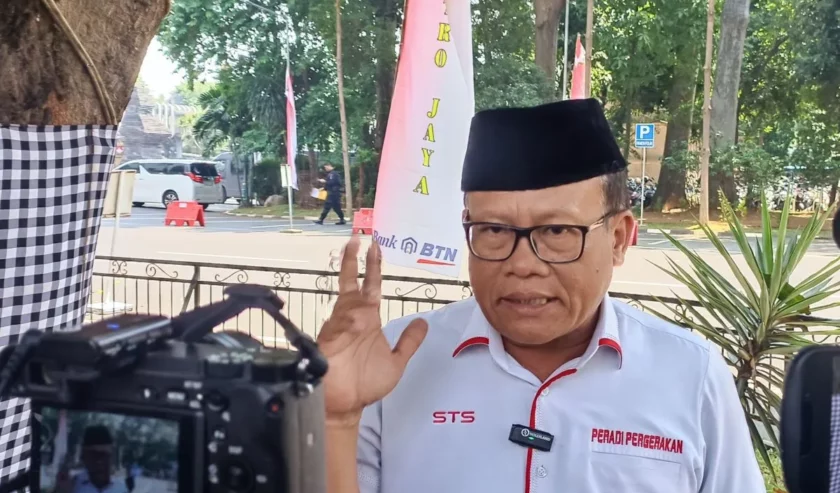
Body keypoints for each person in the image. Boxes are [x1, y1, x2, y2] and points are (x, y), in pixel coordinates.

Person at [317, 99, 765, 493]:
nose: (523, 263)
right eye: (493, 230)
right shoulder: (391, 366)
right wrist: (336, 418)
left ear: (619, 239)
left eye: (556, 231)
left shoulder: (690, 374)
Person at [55, 425, 129, 493]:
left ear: (112, 457)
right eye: (93, 456)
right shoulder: (73, 485)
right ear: (84, 458)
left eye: (104, 455)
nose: (99, 461)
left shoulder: (121, 488)